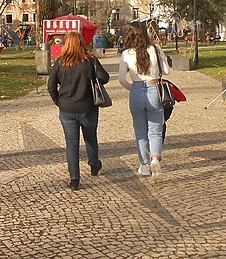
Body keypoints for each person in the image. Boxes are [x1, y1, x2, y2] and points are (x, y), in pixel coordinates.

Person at [47, 31, 109, 191]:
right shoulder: (90, 61)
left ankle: (74, 178)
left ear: (66, 45)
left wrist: (58, 102)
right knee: (90, 138)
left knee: (71, 144)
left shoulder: (60, 63)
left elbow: (51, 86)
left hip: (67, 108)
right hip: (88, 107)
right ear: (82, 43)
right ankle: (94, 164)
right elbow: (105, 78)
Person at [118, 21, 170, 179]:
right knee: (155, 130)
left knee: (140, 131)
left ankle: (144, 165)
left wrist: (133, 89)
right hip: (154, 89)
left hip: (136, 90)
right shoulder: (154, 49)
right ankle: (155, 159)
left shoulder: (126, 54)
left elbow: (121, 79)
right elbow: (166, 71)